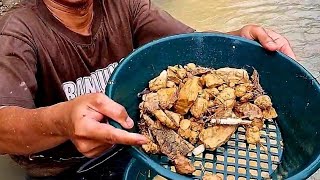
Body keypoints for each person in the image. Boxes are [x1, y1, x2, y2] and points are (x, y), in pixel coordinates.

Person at [0, 0, 296, 179]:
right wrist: (61, 123)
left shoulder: (126, 6)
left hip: (135, 143)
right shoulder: (17, 31)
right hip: (63, 168)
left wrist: (239, 39)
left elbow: (191, 46)